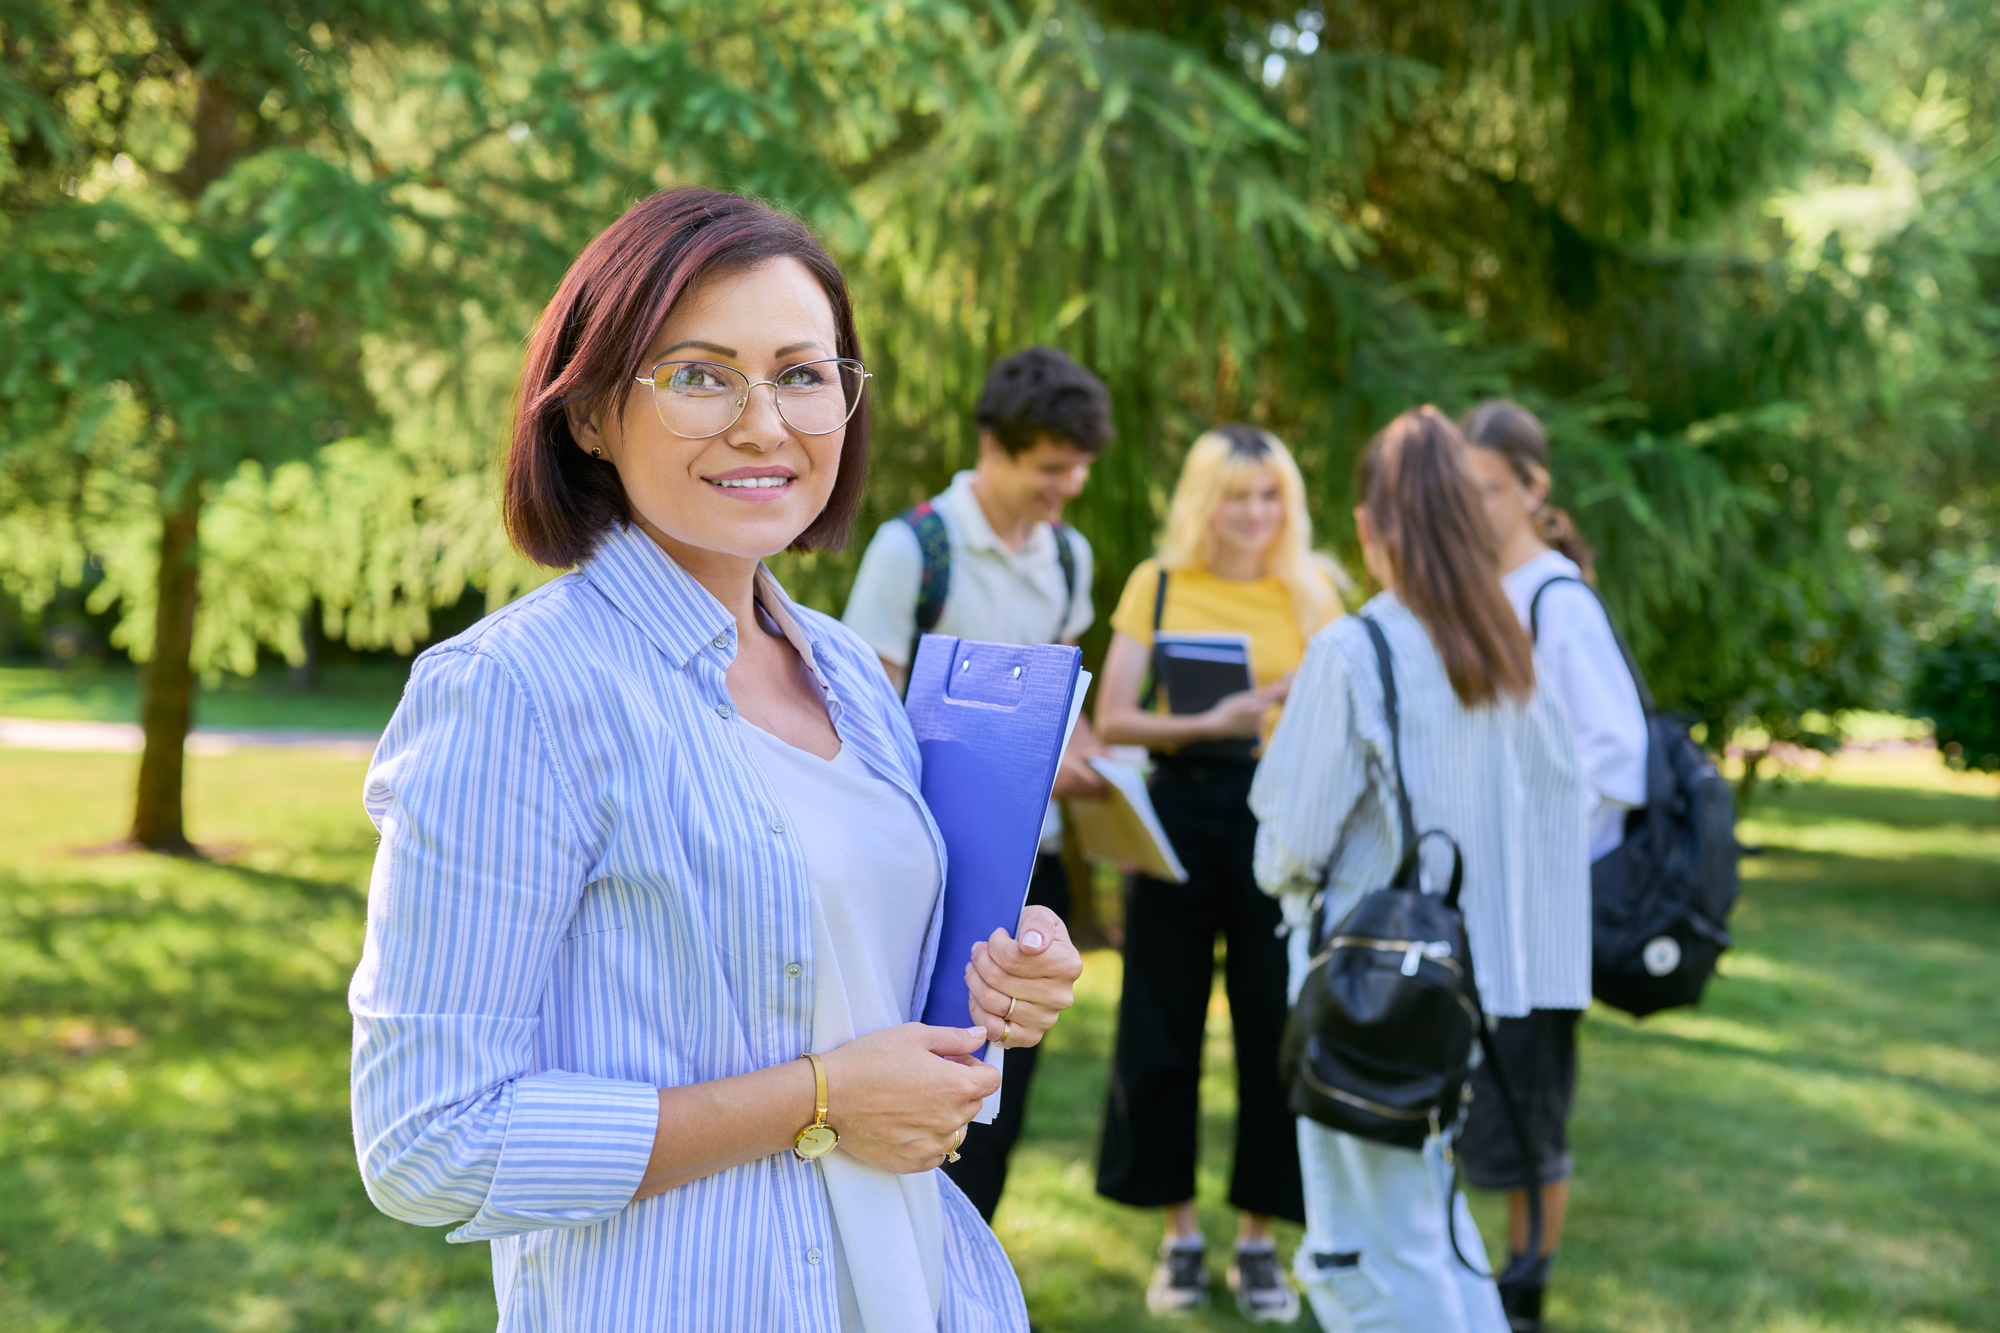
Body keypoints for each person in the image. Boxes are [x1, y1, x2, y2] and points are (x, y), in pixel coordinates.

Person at [348, 187, 1084, 1333]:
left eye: (801, 373)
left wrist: (1002, 975)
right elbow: (428, 1140)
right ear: (589, 412)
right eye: (700, 375)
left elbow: (867, 994)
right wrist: (821, 1102)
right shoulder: (515, 692)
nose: (763, 424)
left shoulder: (846, 672)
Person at [1249, 406, 1591, 1333]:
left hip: (1365, 986)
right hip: (1466, 984)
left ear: (1370, 525)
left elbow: (1285, 847)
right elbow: (1557, 812)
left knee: (1366, 1249)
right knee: (1427, 1222)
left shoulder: (1356, 650)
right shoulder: (1501, 647)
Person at [842, 345, 1115, 1221]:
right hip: (923, 869)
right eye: (1050, 467)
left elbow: (1066, 710)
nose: (1067, 486)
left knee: (997, 1102)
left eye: (1078, 468)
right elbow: (858, 719)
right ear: (994, 446)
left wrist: (1093, 762)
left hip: (1030, 873)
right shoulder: (913, 548)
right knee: (920, 1081)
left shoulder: (1069, 559)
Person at [1091, 425, 1345, 1322]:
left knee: (1276, 1028)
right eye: (1237, 494)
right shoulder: (1156, 585)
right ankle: (1180, 1237)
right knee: (1161, 1025)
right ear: (1206, 499)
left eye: (1270, 494)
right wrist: (1214, 720)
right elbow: (1114, 717)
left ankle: (1259, 1243)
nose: (1254, 512)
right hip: (1178, 819)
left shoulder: (1316, 594)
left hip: (1279, 822)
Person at [1460, 399, 1647, 1332]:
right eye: (1464, 488)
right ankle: (1482, 1291)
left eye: (1491, 488)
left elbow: (1617, 755)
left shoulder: (1555, 600)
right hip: (1487, 904)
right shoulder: (1488, 593)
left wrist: (1539, 860)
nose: (1475, 505)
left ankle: (1524, 1298)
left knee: (1532, 1112)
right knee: (1482, 1102)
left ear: (1535, 489)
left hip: (1541, 913)